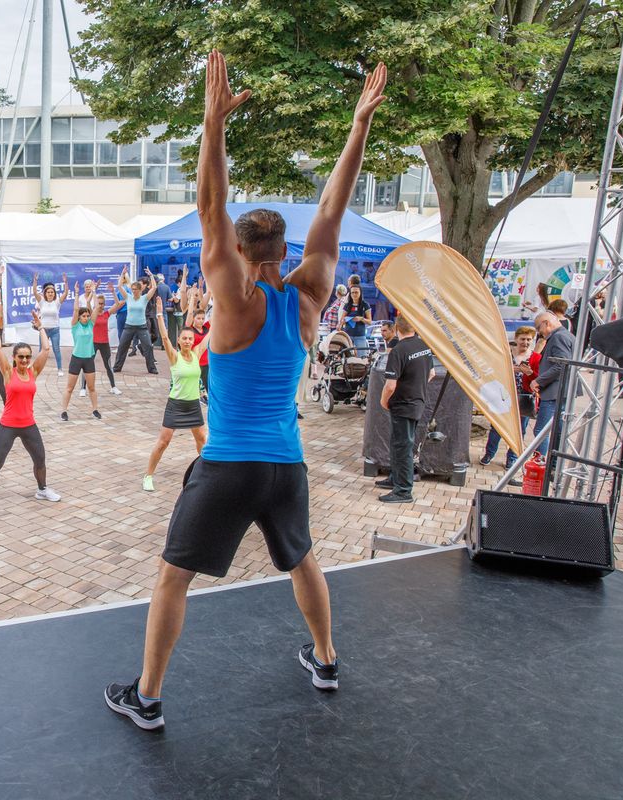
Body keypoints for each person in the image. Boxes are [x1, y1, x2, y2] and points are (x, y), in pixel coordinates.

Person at [105, 53, 387, 730]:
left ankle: (146, 697)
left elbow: (209, 202)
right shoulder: (311, 293)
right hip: (285, 467)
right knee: (303, 560)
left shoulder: (231, 299)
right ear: (283, 252)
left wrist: (213, 121)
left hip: (229, 466)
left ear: (236, 250)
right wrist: (358, 125)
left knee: (174, 577)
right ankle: (324, 658)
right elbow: (333, 203)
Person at [0, 316, 61, 510]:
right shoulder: (8, 372)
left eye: (27, 357)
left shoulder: (33, 371)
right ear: (14, 358)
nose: (25, 360)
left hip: (29, 425)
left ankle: (42, 489)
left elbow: (46, 349)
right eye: (21, 357)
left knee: (40, 459)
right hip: (8, 425)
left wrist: (41, 327)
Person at [142, 298, 210, 492]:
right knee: (164, 442)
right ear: (179, 341)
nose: (188, 341)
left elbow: (210, 334)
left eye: (190, 338)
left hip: (193, 405)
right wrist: (160, 315)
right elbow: (164, 338)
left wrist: (220, 309)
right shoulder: (175, 356)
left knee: (201, 440)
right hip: (176, 405)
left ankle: (205, 474)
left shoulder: (197, 353)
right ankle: (148, 475)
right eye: (184, 338)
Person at [376, 316, 433, 503]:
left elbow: (390, 385)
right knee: (398, 443)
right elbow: (431, 374)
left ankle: (403, 491)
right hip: (417, 402)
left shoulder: (398, 350)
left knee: (402, 447)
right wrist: (416, 387)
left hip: (403, 404)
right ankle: (395, 478)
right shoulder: (423, 346)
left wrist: (384, 401)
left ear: (397, 329)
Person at [480, 326, 536, 481]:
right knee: (497, 426)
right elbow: (496, 370)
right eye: (523, 339)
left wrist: (530, 374)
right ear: (516, 339)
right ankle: (489, 453)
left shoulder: (535, 357)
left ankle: (512, 458)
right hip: (503, 395)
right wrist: (513, 369)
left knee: (519, 429)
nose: (525, 342)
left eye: (529, 339)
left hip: (523, 397)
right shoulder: (506, 354)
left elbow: (537, 378)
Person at [530, 311, 576, 456]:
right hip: (561, 390)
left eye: (539, 328)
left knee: (541, 430)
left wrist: (538, 380)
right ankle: (553, 464)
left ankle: (542, 463)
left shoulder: (558, 337)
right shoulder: (565, 335)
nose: (540, 333)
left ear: (546, 323)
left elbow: (561, 364)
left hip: (555, 391)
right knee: (558, 430)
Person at [59, 283, 102, 421]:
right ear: (79, 317)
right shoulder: (75, 325)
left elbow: (95, 307)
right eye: (83, 316)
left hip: (89, 359)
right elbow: (76, 309)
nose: (86, 318)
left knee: (91, 387)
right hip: (76, 359)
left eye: (87, 316)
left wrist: (94, 291)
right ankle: (64, 411)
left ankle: (95, 409)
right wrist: (77, 293)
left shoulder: (91, 324)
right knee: (70, 388)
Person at [112, 270, 159, 374]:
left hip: (142, 327)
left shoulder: (144, 298)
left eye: (135, 289)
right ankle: (116, 367)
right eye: (132, 289)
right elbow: (119, 287)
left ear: (140, 290)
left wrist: (151, 275)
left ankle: (152, 368)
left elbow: (154, 288)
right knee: (122, 347)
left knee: (148, 347)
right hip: (129, 327)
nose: (133, 291)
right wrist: (122, 274)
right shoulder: (128, 297)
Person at [89, 287, 124, 397]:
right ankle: (83, 388)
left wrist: (113, 292)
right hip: (93, 343)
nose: (101, 305)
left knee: (108, 366)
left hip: (104, 343)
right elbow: (88, 303)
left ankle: (113, 387)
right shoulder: (91, 313)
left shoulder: (107, 314)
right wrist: (93, 292)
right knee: (88, 365)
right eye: (99, 303)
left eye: (102, 303)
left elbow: (118, 304)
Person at [32, 273, 69, 375]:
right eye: (48, 292)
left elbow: (65, 293)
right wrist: (35, 281)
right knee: (41, 350)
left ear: (54, 293)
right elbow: (34, 292)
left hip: (55, 330)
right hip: (43, 330)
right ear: (45, 293)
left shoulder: (57, 302)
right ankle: (37, 369)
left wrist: (65, 283)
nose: (50, 293)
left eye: (52, 292)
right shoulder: (41, 301)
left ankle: (60, 369)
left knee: (56, 349)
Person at [338, 284, 371, 353]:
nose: (354, 294)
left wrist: (361, 319)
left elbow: (370, 321)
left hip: (360, 335)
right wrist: (345, 320)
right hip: (348, 335)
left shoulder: (365, 305)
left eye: (356, 292)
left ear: (360, 293)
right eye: (352, 292)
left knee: (362, 357)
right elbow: (341, 320)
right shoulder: (347, 305)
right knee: (347, 358)